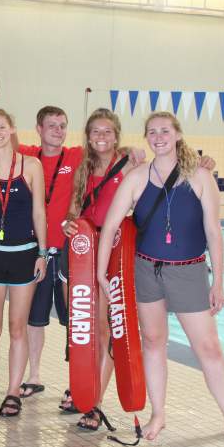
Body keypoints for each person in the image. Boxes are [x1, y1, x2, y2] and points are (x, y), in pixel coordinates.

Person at [97, 111, 224, 446]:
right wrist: (99, 273)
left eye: (165, 131)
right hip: (146, 270)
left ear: (178, 134)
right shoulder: (138, 177)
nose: (158, 137)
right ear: (147, 138)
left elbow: (214, 231)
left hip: (189, 271)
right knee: (154, 343)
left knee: (209, 348)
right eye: (152, 132)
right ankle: (159, 413)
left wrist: (218, 282)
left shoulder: (199, 176)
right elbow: (110, 225)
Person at [62, 108, 138, 429]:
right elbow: (74, 211)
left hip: (115, 253)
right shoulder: (83, 168)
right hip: (86, 255)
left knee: (106, 331)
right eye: (95, 131)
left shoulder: (132, 164)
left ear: (117, 134)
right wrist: (68, 225)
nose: (101, 137)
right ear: (88, 135)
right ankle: (83, 390)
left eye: (107, 131)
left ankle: (94, 403)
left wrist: (204, 164)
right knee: (84, 331)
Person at [0, 109, 47, 417]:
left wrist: (42, 253)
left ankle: (13, 391)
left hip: (25, 256)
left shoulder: (31, 165)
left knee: (18, 328)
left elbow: (39, 212)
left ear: (13, 128)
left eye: (2, 127)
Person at [16, 107, 84, 401]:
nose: (58, 130)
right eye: (52, 125)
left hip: (68, 251)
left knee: (74, 320)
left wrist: (134, 152)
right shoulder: (27, 155)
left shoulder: (76, 157)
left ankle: (76, 381)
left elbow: (114, 149)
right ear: (39, 129)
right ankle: (34, 376)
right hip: (36, 251)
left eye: (62, 125)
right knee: (34, 318)